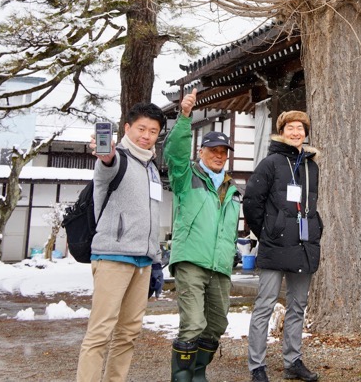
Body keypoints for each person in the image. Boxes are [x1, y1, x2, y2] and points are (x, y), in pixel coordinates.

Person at [76, 102, 166, 382]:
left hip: (143, 262)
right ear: (127, 128)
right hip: (113, 257)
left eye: (153, 131)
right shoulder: (118, 160)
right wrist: (105, 152)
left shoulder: (151, 168)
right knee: (100, 332)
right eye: (141, 128)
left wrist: (156, 259)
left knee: (128, 333)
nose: (146, 135)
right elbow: (107, 161)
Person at [164, 89, 243, 382]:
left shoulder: (233, 190)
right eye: (213, 151)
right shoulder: (187, 178)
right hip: (191, 260)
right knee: (194, 323)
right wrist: (184, 117)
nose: (218, 157)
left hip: (220, 266)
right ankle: (182, 377)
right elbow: (173, 154)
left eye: (223, 153)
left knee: (216, 324)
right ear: (201, 152)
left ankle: (199, 373)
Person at [244, 110, 323, 382]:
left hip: (304, 244)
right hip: (274, 245)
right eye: (290, 127)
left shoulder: (312, 166)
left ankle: (293, 361)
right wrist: (268, 232)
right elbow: (251, 202)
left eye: (300, 127)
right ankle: (257, 365)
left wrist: (315, 230)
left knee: (298, 306)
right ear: (282, 131)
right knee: (264, 305)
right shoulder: (271, 163)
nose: (296, 132)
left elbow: (310, 205)